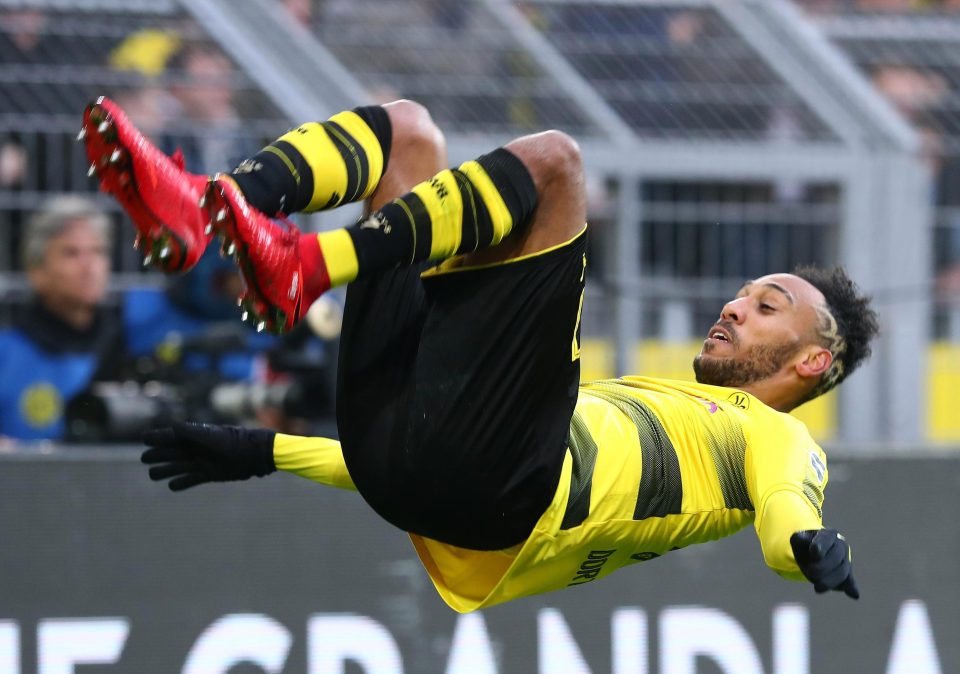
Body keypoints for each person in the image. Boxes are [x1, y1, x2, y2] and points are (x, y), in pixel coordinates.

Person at [80, 95, 878, 612]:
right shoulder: (651, 402)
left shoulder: (778, 439)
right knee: (408, 136)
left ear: (811, 363)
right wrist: (266, 451)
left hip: (503, 495)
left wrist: (805, 552)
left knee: (557, 165)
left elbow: (787, 510)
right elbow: (442, 440)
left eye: (767, 307)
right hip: (411, 470)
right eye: (744, 294)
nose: (735, 305)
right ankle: (200, 207)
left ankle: (306, 267)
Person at [0, 195, 127, 440]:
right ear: (36, 270)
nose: (89, 266)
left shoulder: (128, 349)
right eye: (71, 253)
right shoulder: (6, 354)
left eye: (98, 252)